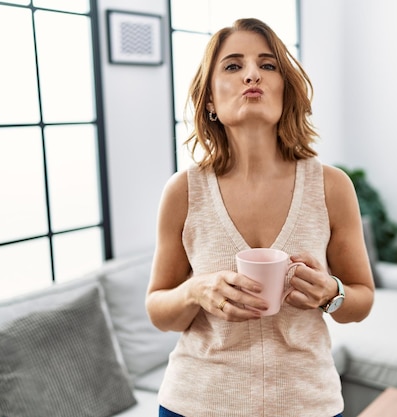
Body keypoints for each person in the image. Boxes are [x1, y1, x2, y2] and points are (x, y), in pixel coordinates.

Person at [146, 18, 375, 417]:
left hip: (307, 403)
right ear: (211, 101)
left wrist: (330, 293)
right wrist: (195, 291)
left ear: (285, 92)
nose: (252, 73)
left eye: (267, 65)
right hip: (196, 402)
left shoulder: (331, 186)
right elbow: (158, 308)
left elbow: (362, 299)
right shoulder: (183, 191)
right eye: (233, 66)